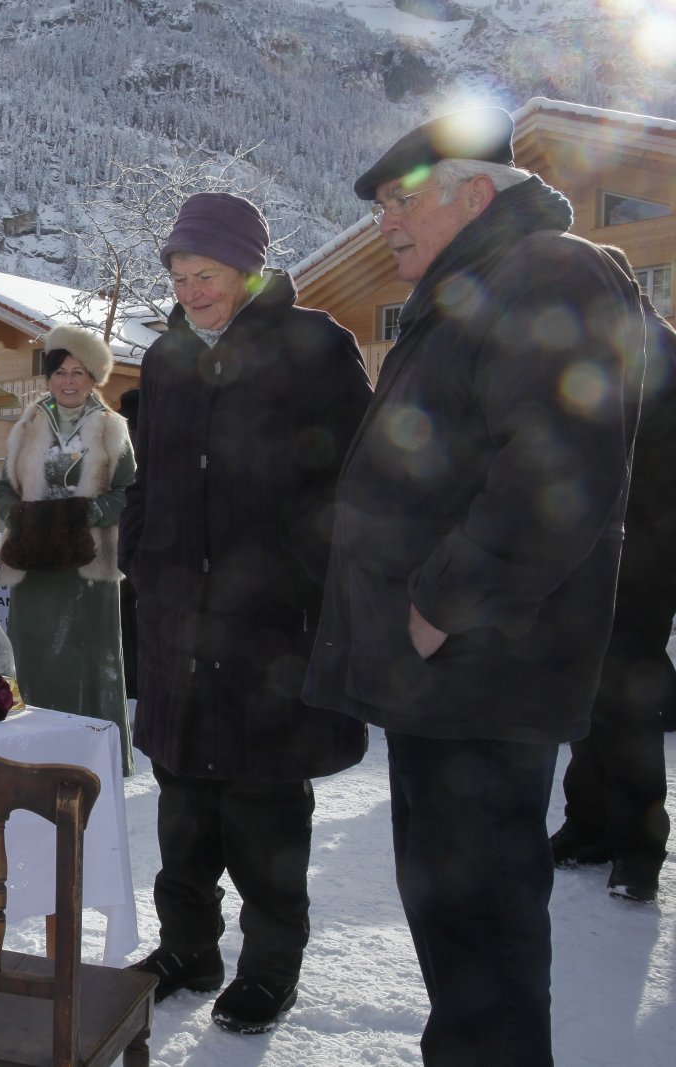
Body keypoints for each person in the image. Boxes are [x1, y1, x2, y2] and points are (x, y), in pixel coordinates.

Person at [302, 107, 644, 1066]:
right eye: (378, 207)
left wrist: (441, 603)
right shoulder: (473, 287)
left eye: (400, 202)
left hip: (483, 666)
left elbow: (556, 472)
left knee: (482, 929)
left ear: (475, 193)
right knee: (452, 919)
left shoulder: (548, 272)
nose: (384, 224)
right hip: (449, 677)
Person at [117, 192, 372, 1034]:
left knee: (265, 806)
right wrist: (142, 555)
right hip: (178, 619)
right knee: (182, 800)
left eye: (207, 275)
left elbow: (358, 475)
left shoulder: (315, 345)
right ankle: (188, 947)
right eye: (180, 278)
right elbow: (149, 476)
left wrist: (300, 568)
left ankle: (269, 968)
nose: (191, 292)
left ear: (249, 270)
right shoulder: (165, 359)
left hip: (270, 625)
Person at [552, 246, 675, 904]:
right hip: (596, 552)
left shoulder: (654, 351)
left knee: (627, 705)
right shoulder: (598, 348)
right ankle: (589, 826)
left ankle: (639, 849)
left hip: (644, 556)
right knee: (590, 697)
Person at [0, 325, 136, 771]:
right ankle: (34, 760)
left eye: (78, 372)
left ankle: (94, 762)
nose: (69, 381)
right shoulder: (27, 425)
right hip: (34, 568)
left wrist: (84, 514)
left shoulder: (112, 428)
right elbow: (4, 488)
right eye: (60, 372)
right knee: (35, 660)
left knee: (90, 663)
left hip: (88, 569)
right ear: (49, 378)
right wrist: (21, 518)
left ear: (94, 378)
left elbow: (130, 493)